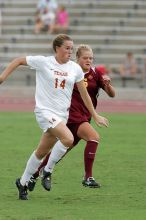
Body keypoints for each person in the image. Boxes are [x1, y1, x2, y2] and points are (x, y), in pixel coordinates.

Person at [0, 35, 109, 200]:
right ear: (57, 48)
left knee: (41, 152)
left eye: (71, 49)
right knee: (68, 138)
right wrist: (2, 78)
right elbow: (19, 60)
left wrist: (95, 115)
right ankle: (47, 170)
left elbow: (85, 95)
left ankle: (22, 183)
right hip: (45, 112)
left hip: (61, 115)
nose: (70, 51)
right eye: (67, 48)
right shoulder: (44, 62)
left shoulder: (75, 68)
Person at [27, 45, 115, 192]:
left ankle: (34, 175)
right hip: (71, 116)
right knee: (94, 137)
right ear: (78, 59)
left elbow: (112, 94)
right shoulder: (70, 71)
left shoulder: (96, 73)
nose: (88, 60)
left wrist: (108, 84)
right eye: (85, 58)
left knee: (60, 152)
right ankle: (88, 177)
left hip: (84, 117)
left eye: (91, 58)